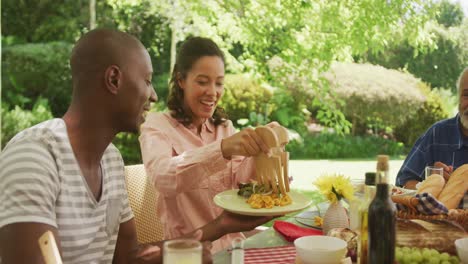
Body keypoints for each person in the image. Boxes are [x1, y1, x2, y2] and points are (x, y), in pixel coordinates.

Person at [0, 29, 275, 264]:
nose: (154, 95)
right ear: (114, 79)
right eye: (146, 80)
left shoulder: (110, 159)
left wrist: (211, 233)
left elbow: (129, 258)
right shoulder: (35, 156)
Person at [139, 37, 279, 253]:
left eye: (219, 83)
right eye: (203, 81)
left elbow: (243, 186)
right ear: (181, 80)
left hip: (234, 250)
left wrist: (260, 152)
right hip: (188, 253)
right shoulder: (156, 125)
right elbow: (162, 178)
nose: (213, 92)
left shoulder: (225, 128)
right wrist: (221, 149)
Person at [396, 67, 468, 209]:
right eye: (467, 95)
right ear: (458, 97)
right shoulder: (437, 134)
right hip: (439, 227)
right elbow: (402, 182)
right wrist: (428, 182)